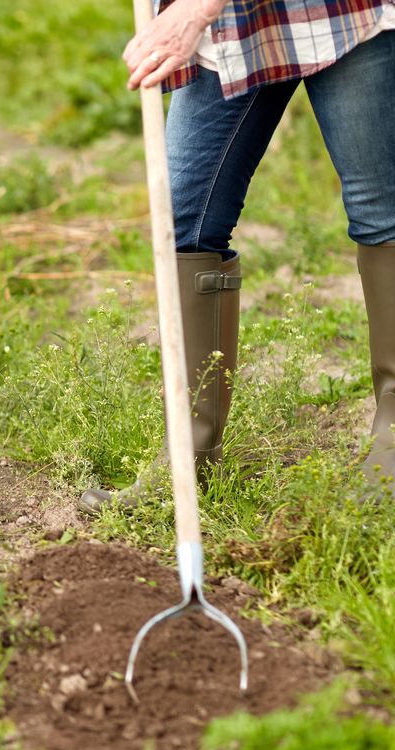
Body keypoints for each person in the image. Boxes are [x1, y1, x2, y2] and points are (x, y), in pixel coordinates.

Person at [80, 0, 395, 512]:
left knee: (381, 216)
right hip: (235, 25)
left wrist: (193, 10)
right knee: (184, 221)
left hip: (335, 14)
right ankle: (189, 456)